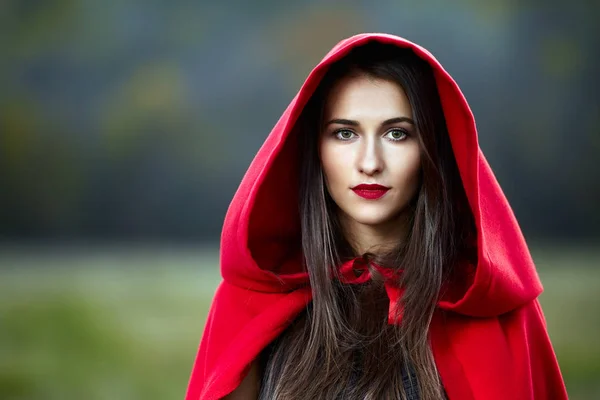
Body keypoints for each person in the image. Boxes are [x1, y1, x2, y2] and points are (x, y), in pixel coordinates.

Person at [184, 33, 568, 399]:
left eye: (397, 134)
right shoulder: (251, 305)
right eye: (345, 133)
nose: (370, 163)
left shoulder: (494, 313)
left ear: (433, 150)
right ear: (313, 149)